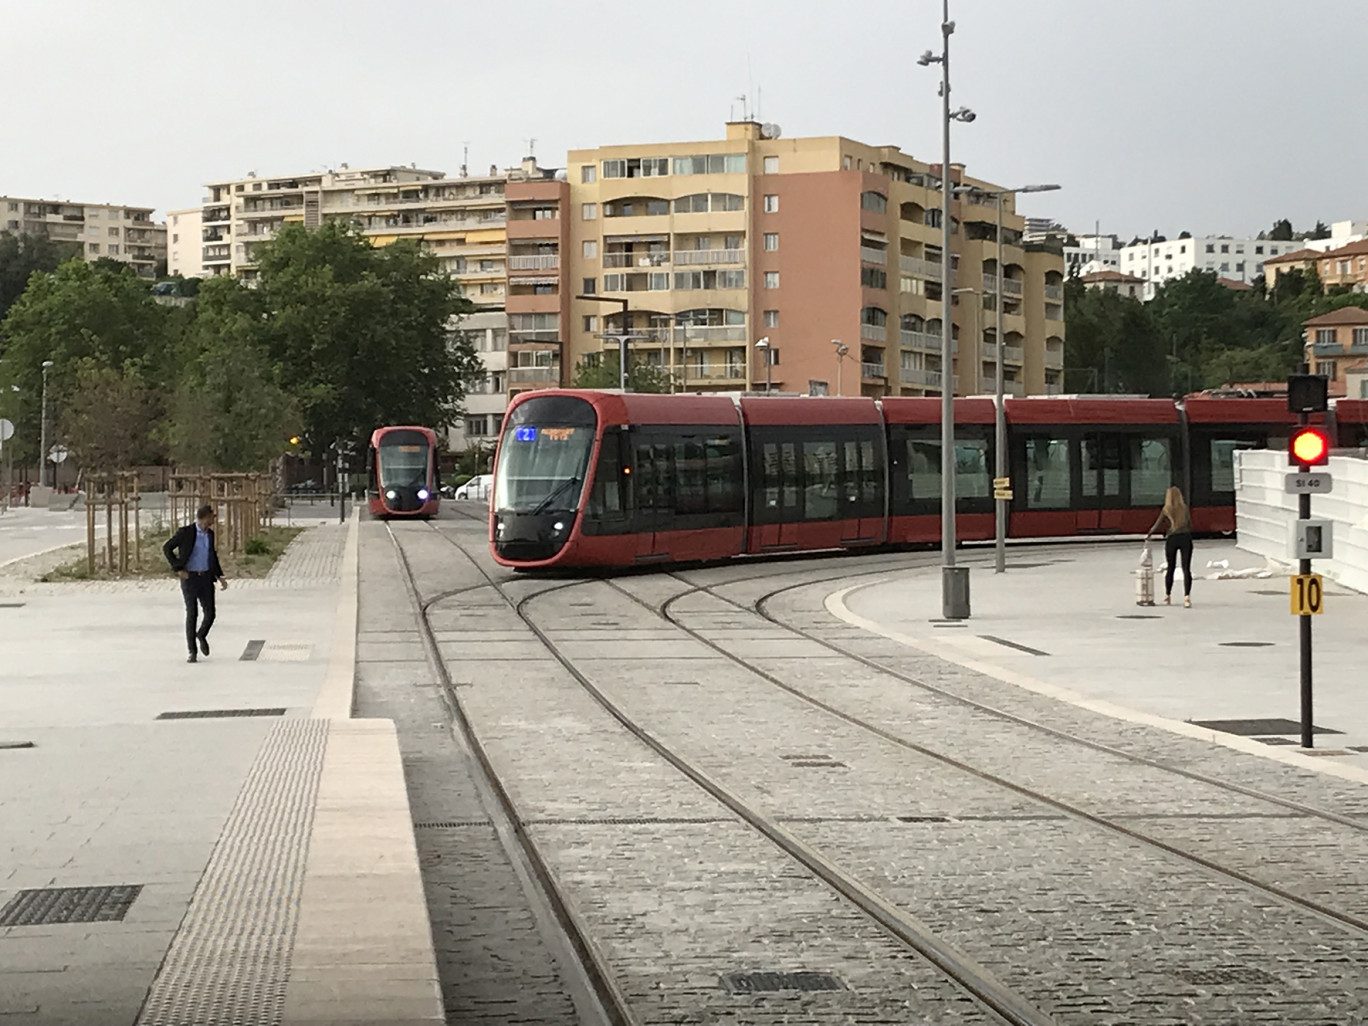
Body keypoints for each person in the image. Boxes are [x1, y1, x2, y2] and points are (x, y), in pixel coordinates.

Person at [163, 504, 228, 662]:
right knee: (192, 613)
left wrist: (219, 576)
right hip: (189, 578)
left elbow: (212, 555)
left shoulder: (210, 534)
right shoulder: (186, 532)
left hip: (205, 577)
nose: (214, 519)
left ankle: (201, 634)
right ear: (204, 517)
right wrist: (178, 568)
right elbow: (167, 548)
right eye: (212, 516)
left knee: (210, 613)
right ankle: (192, 651)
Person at [1146, 485, 1193, 607]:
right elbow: (1190, 524)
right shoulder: (1184, 508)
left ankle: (1168, 596)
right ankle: (1187, 597)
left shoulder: (1166, 510)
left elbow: (1156, 525)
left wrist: (1149, 534)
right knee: (1186, 568)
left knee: (1170, 568)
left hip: (1172, 539)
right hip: (1185, 538)